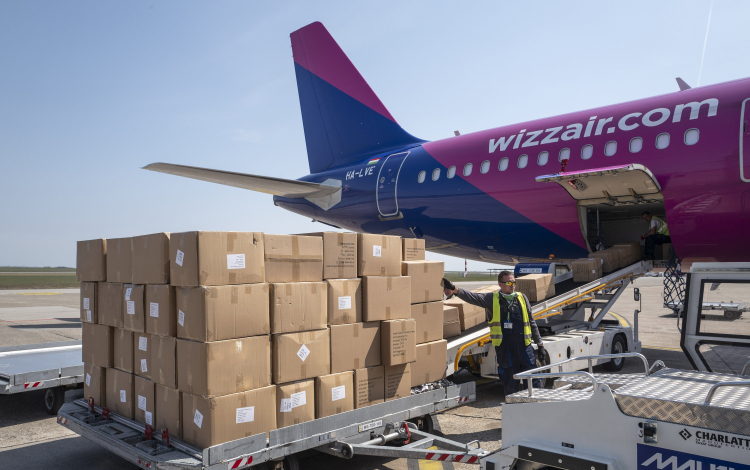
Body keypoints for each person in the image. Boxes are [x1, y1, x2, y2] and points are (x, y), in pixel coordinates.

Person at [442, 271, 544, 395]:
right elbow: (473, 297)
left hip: (525, 347)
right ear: (500, 284)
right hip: (506, 350)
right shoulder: (492, 299)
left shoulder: (522, 298)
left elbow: (532, 322)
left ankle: (536, 404)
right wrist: (455, 289)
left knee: (533, 379)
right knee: (510, 383)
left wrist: (540, 344)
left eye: (514, 282)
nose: (512, 285)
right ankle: (514, 405)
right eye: (508, 283)